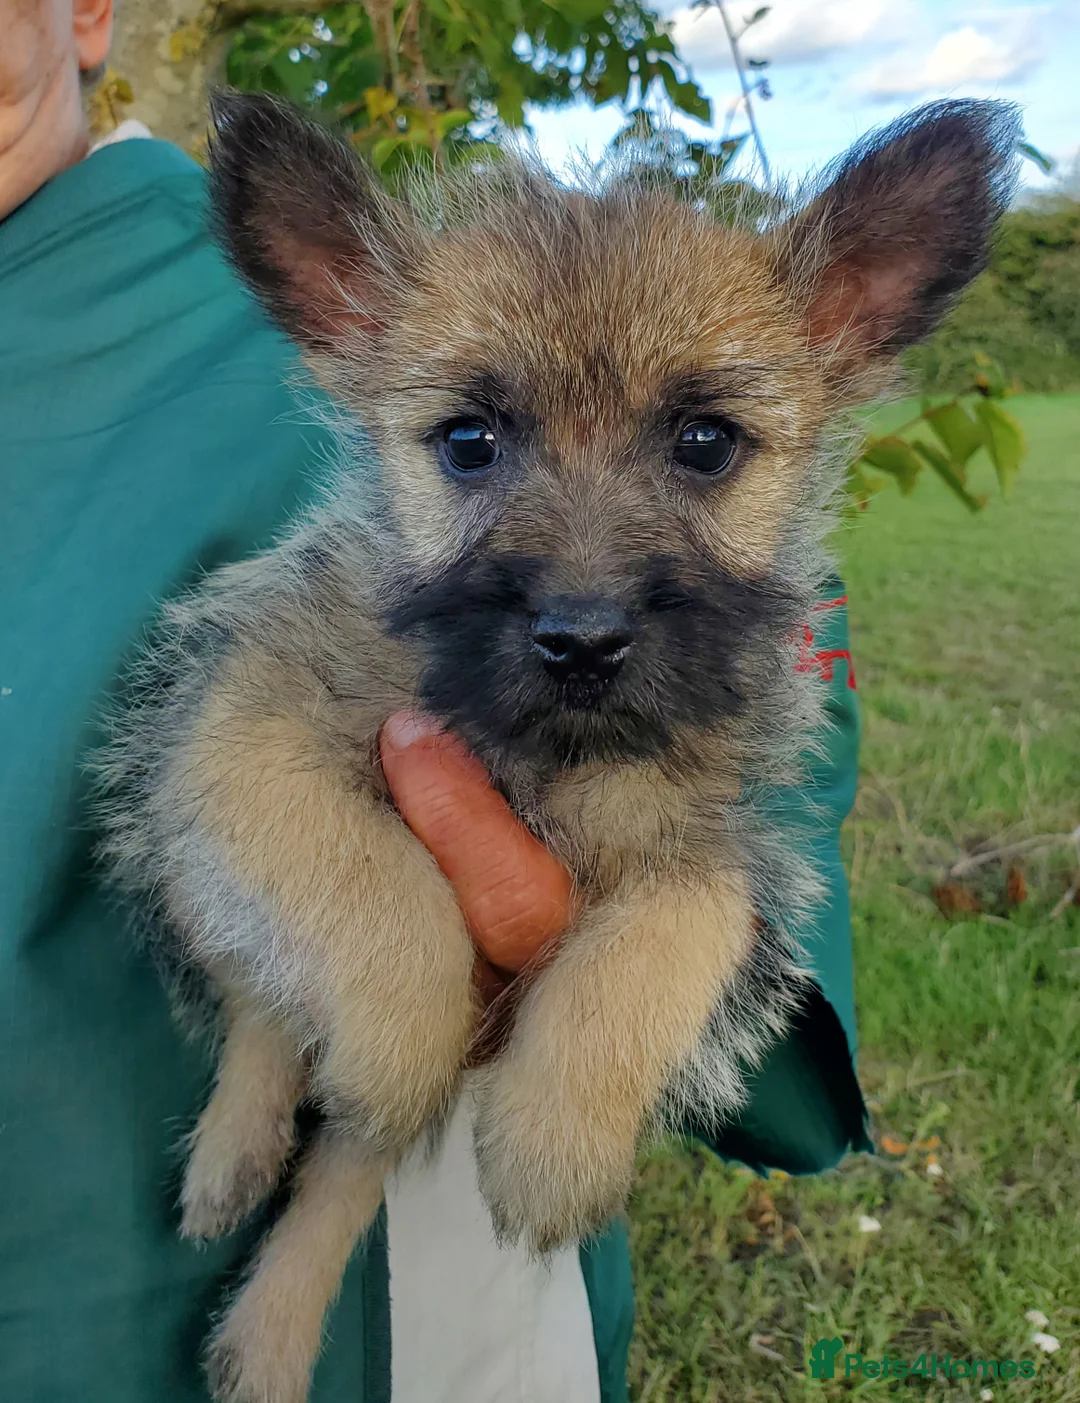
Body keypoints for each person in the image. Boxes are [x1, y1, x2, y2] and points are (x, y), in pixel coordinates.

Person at [0, 2, 868, 1400]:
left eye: (702, 446)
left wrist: (606, 972)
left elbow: (768, 820)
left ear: (87, 14)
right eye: (471, 444)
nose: (586, 582)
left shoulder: (301, 301)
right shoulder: (382, 334)